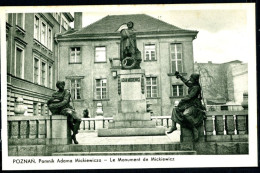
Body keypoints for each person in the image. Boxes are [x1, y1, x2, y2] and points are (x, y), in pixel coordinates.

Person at [167, 72, 206, 142]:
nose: (190, 79)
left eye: (191, 78)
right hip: (189, 104)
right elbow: (187, 82)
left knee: (186, 114)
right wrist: (180, 76)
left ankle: (194, 129)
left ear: (195, 79)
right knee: (175, 109)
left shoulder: (196, 87)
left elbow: (189, 97)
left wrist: (181, 100)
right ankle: (173, 126)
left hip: (195, 106)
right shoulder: (192, 84)